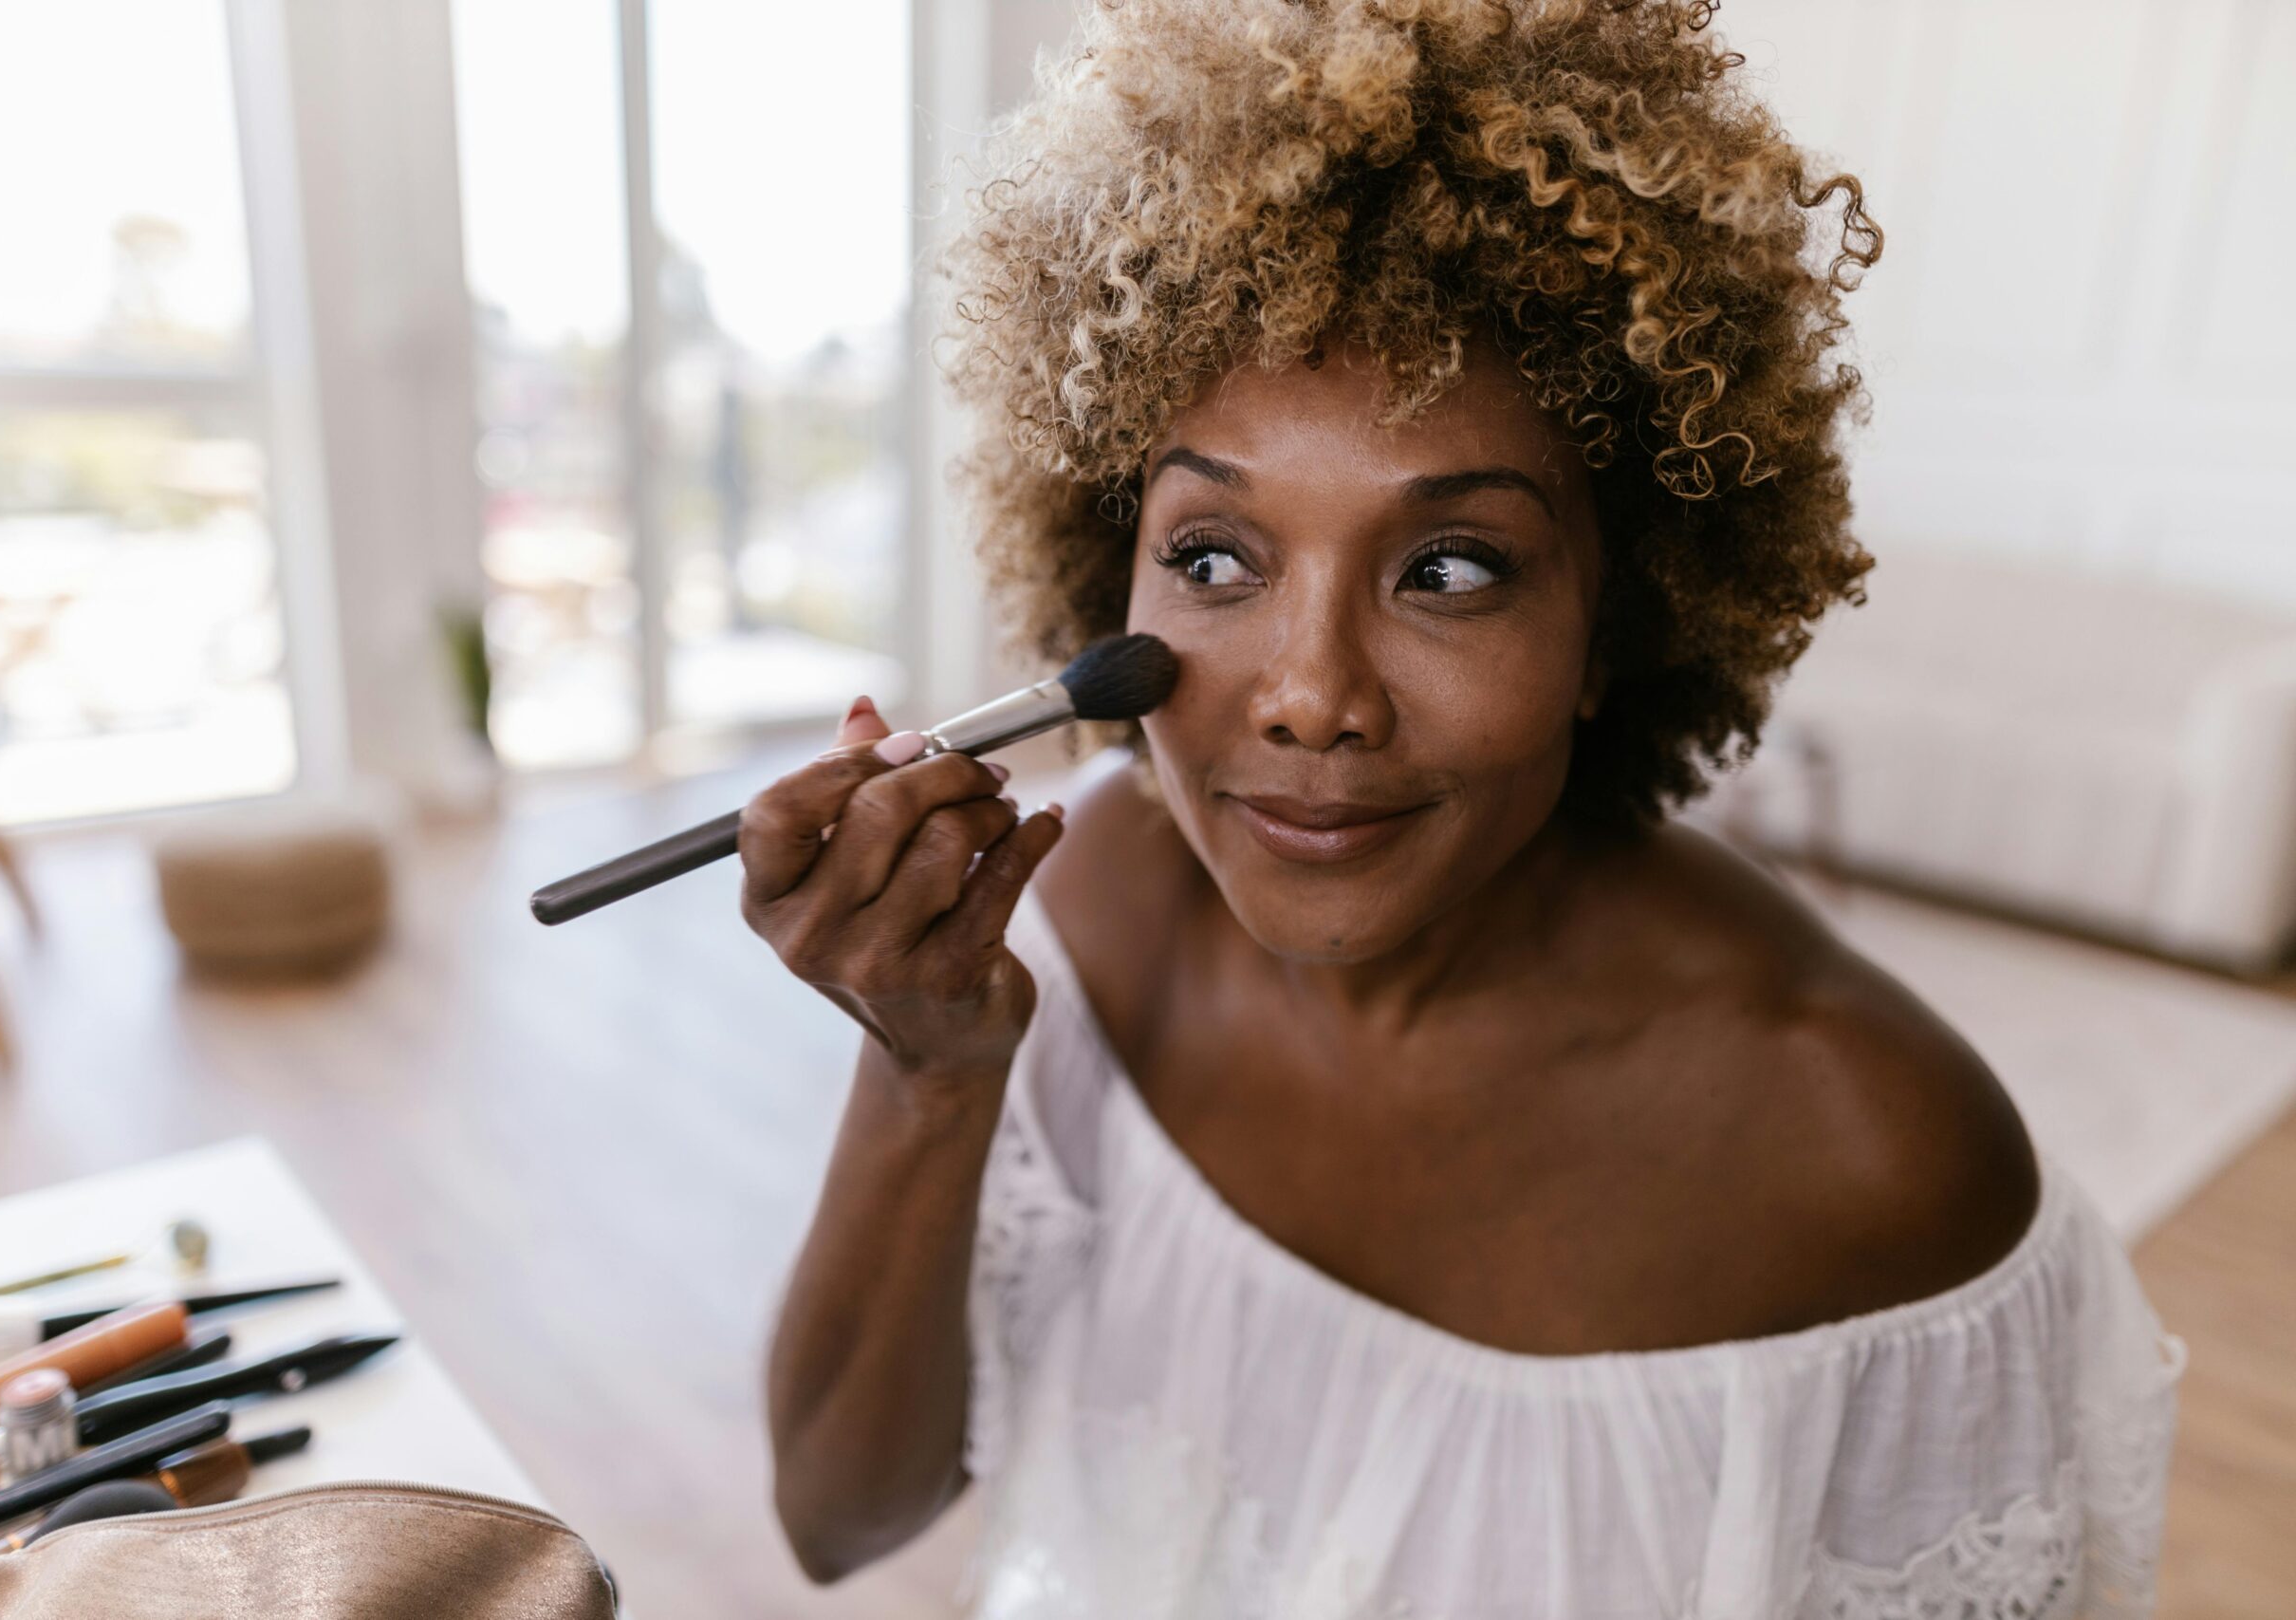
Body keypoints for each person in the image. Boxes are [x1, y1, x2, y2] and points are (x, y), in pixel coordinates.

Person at [752, 1, 2184, 1614]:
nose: (1310, 695)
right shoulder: (1088, 918)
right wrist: (931, 1072)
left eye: (1449, 569)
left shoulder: (1872, 1155)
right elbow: (837, 1520)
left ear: (1612, 625)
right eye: (1214, 556)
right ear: (1113, 564)